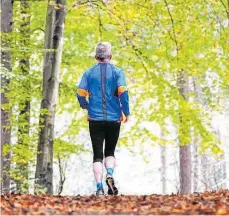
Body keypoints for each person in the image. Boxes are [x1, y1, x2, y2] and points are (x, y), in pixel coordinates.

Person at [76, 42, 130, 196]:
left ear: (95, 57)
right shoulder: (118, 72)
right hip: (114, 119)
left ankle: (99, 187)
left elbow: (80, 93)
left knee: (97, 155)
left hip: (94, 119)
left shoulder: (88, 73)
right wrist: (126, 112)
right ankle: (110, 174)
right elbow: (123, 93)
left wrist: (86, 106)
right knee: (110, 152)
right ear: (110, 56)